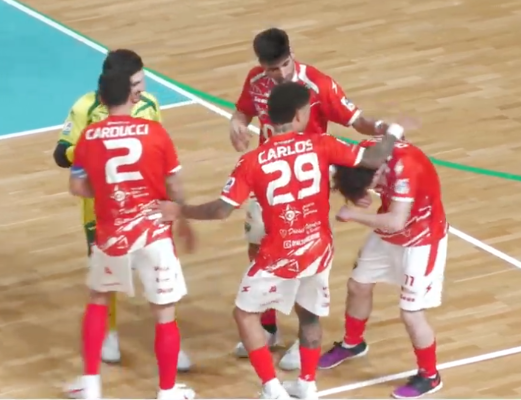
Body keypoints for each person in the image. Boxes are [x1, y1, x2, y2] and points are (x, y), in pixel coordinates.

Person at [158, 82, 405, 399]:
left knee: (245, 315)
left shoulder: (253, 161)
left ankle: (272, 389)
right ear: (300, 115)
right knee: (309, 315)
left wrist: (180, 210)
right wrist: (393, 131)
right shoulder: (322, 144)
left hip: (278, 255)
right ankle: (306, 384)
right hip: (318, 249)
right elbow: (374, 158)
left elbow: (221, 210)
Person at [228, 27, 402, 369]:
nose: (279, 74)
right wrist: (236, 123)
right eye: (272, 69)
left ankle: (303, 339)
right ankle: (268, 327)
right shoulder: (255, 81)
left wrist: (384, 127)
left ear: (291, 54)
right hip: (269, 181)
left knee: (303, 260)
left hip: (305, 189)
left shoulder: (319, 85)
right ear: (261, 65)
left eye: (284, 65)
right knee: (258, 250)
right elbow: (243, 111)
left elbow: (356, 120)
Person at [53, 49, 191, 371]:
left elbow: (159, 152)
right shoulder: (85, 107)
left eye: (143, 81)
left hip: (148, 208)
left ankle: (171, 346)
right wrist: (90, 150)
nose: (142, 88)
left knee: (160, 277)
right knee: (107, 279)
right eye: (136, 83)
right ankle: (110, 335)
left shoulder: (150, 104)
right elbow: (61, 154)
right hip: (102, 210)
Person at [323, 137, 447, 399]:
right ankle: (353, 343)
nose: (373, 189)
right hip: (389, 234)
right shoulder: (365, 151)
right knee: (358, 285)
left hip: (422, 239)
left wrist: (353, 215)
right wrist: (356, 193)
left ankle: (429, 376)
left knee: (411, 313)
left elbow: (395, 221)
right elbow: (334, 168)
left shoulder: (406, 168)